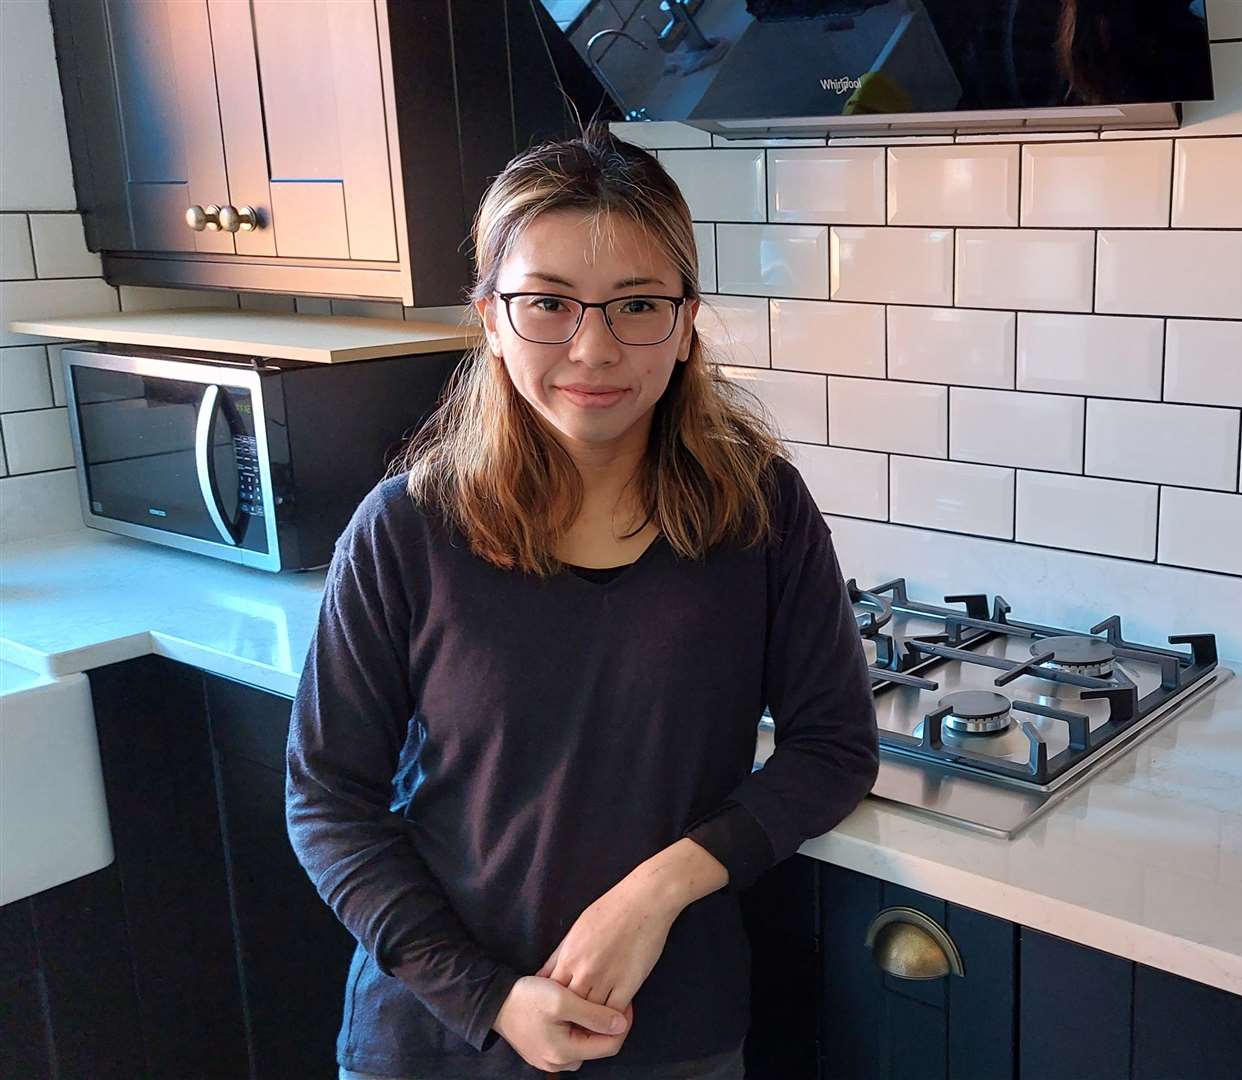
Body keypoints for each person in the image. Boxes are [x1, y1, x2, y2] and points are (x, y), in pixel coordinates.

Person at [285, 123, 881, 1079]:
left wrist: (656, 889)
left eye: (638, 303)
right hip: (437, 1038)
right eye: (548, 304)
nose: (593, 348)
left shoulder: (759, 511)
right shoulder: (406, 528)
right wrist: (489, 998)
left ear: (687, 322)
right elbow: (327, 802)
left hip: (666, 1035)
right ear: (489, 316)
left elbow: (834, 748)